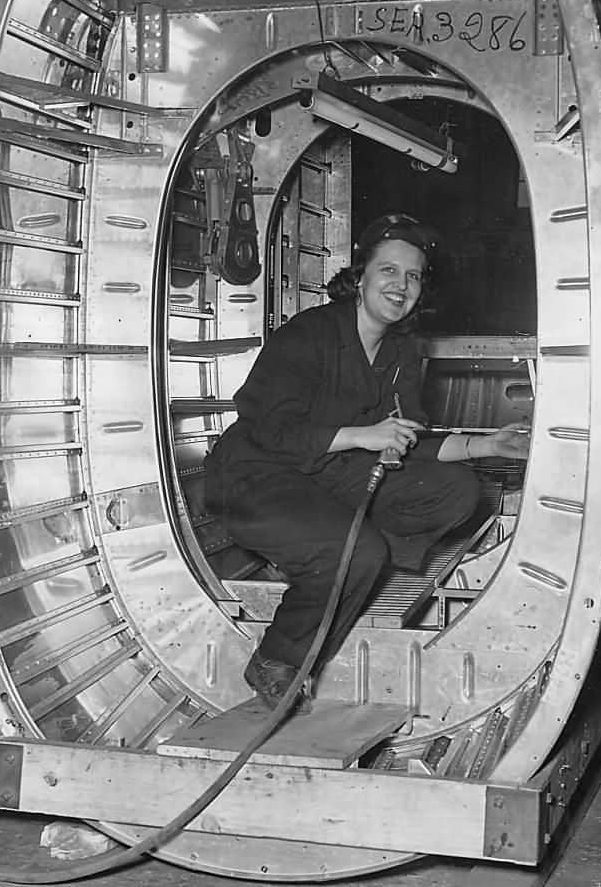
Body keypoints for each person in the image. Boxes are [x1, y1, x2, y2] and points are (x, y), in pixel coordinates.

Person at [204, 213, 530, 712]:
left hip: (327, 478)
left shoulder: (400, 351)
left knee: (458, 491)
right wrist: (364, 435)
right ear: (360, 278)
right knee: (357, 552)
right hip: (256, 476)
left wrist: (487, 444)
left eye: (414, 275)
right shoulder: (309, 333)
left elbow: (403, 439)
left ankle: (337, 555)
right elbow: (270, 429)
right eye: (389, 271)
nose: (401, 285)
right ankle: (276, 657)